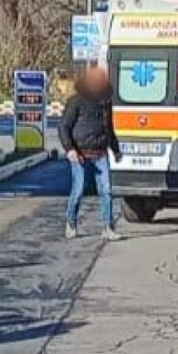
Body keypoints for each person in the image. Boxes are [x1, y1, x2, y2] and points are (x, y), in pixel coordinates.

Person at [58, 66, 122, 241]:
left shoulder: (105, 103)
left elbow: (109, 128)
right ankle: (71, 223)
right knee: (78, 191)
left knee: (106, 191)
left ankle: (108, 227)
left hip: (101, 153)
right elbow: (64, 126)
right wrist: (70, 149)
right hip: (79, 154)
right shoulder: (76, 101)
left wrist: (116, 150)